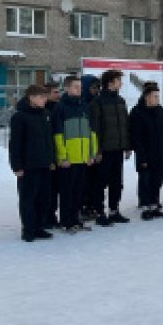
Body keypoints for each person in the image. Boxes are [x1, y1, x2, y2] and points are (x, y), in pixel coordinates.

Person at [52, 76, 99, 234]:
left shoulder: (84, 106)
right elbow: (58, 135)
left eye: (80, 87)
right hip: (68, 159)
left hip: (83, 157)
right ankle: (66, 221)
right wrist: (62, 157)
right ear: (67, 88)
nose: (79, 89)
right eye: (75, 87)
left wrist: (91, 153)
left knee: (79, 191)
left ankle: (76, 219)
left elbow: (91, 132)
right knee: (67, 192)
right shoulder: (60, 108)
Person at [9, 85, 55, 242]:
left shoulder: (46, 114)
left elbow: (49, 141)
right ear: (31, 98)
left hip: (44, 164)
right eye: (42, 97)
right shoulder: (20, 117)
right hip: (28, 166)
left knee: (44, 198)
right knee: (28, 199)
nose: (45, 99)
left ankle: (39, 227)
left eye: (45, 96)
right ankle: (28, 229)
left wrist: (51, 160)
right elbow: (15, 144)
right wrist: (17, 166)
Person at [91, 70, 132, 226]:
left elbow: (125, 125)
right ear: (110, 83)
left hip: (118, 149)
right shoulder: (98, 102)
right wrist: (98, 150)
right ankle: (99, 212)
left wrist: (127, 146)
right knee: (100, 183)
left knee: (117, 182)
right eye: (118, 80)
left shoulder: (120, 101)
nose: (120, 83)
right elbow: (95, 128)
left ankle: (114, 210)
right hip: (104, 150)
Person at [130, 85, 163, 220]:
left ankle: (154, 205)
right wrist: (142, 157)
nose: (157, 99)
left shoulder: (160, 111)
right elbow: (136, 138)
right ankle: (146, 207)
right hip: (146, 155)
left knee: (157, 181)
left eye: (158, 96)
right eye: (155, 96)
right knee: (146, 181)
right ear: (147, 97)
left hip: (160, 154)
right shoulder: (137, 112)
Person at [80, 74, 101, 222]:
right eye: (93, 87)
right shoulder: (80, 104)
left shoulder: (97, 103)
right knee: (83, 181)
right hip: (81, 149)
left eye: (97, 87)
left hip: (95, 147)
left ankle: (92, 205)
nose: (96, 90)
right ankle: (82, 207)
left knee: (95, 180)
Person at [43, 81, 62, 229]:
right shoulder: (44, 111)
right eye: (55, 92)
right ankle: (46, 216)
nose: (59, 95)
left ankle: (52, 216)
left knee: (56, 188)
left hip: (60, 154)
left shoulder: (59, 108)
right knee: (47, 189)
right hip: (48, 156)